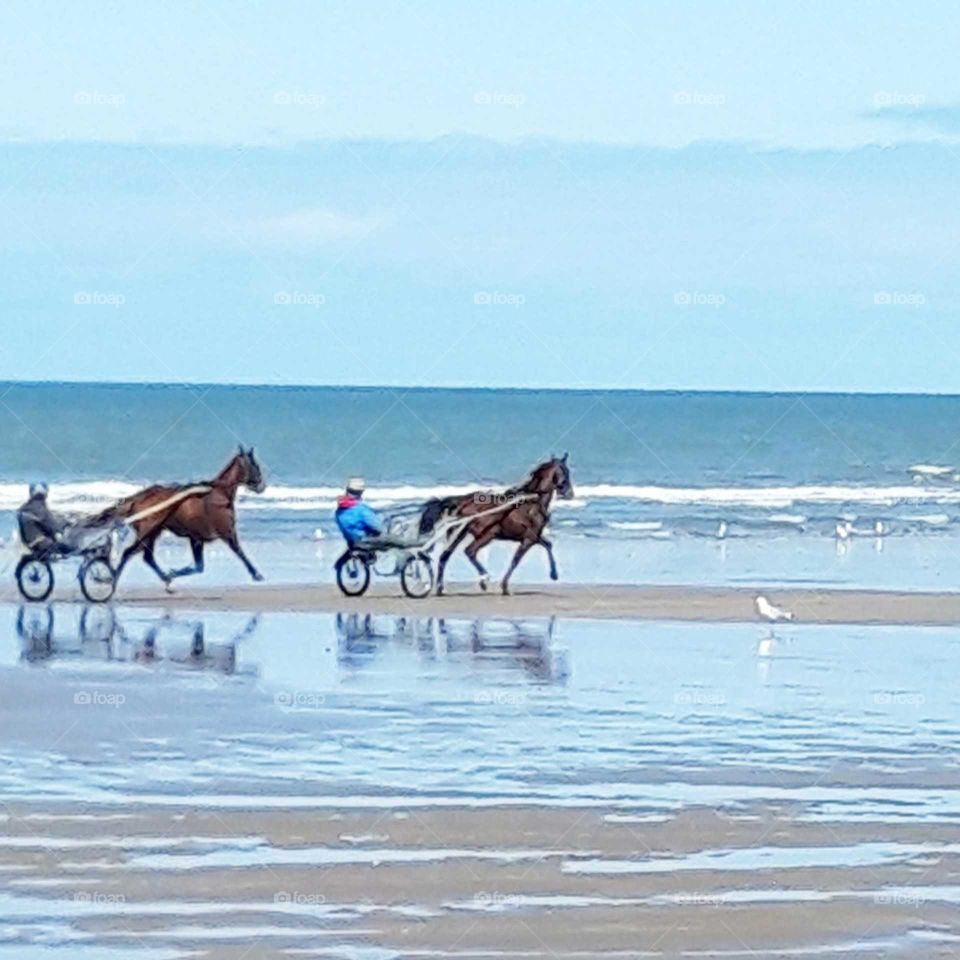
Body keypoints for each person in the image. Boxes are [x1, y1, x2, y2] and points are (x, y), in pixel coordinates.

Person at [17, 482, 68, 556]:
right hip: (42, 544)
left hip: (29, 545)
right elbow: (52, 525)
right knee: (70, 549)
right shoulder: (40, 507)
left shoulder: (24, 508)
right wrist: (63, 527)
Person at [335, 478, 384, 547]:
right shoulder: (360, 509)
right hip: (364, 542)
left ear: (347, 490)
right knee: (396, 541)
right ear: (361, 492)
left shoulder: (339, 510)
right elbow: (379, 528)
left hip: (351, 543)